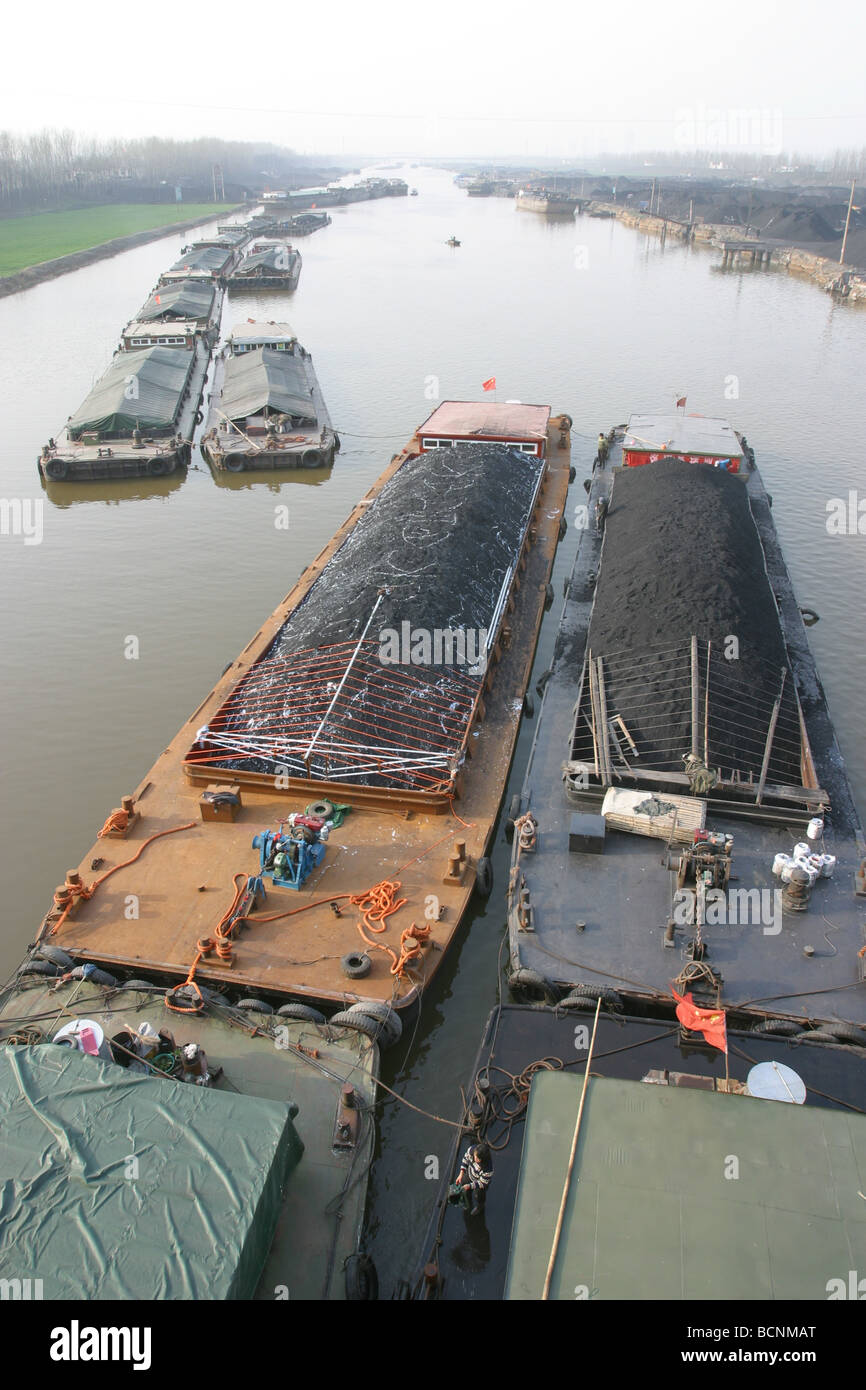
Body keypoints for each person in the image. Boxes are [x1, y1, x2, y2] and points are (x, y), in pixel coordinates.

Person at [455, 1141, 493, 1216]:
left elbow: (482, 1183)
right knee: (464, 1186)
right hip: (469, 1174)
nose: (474, 1158)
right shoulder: (472, 1150)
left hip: (480, 1183)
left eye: (477, 1158)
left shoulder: (488, 1169)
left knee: (479, 1196)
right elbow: (465, 1158)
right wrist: (461, 1173)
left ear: (482, 1159)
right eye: (474, 1155)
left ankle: (480, 1206)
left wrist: (470, 1186)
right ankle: (467, 1200)